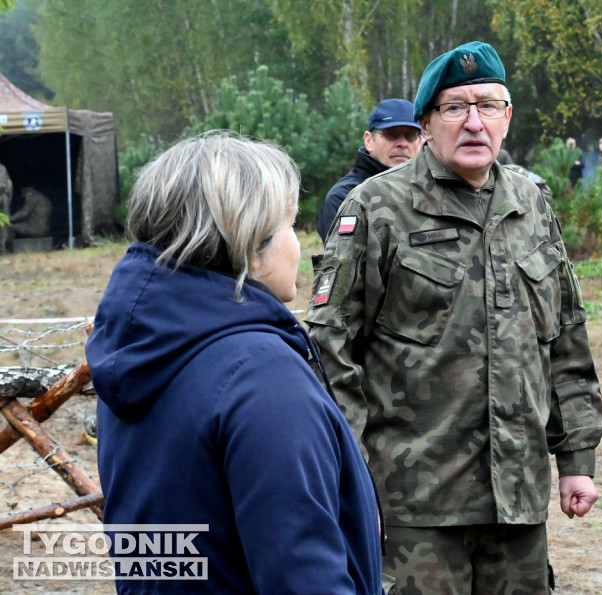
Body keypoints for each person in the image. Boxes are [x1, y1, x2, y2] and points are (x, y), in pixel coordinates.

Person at [306, 41, 602, 594]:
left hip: (516, 498)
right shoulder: (376, 209)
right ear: (427, 124)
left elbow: (565, 335)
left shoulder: (531, 201)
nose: (474, 123)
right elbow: (331, 352)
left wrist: (577, 457)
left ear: (508, 117)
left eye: (488, 106)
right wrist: (349, 483)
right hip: (412, 503)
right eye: (455, 108)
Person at [86, 132, 383, 594]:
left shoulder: (141, 350)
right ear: (252, 242)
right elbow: (304, 577)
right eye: (290, 225)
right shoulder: (261, 378)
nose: (298, 245)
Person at [316, 98, 423, 242]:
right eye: (392, 134)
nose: (402, 143)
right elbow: (343, 259)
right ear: (368, 140)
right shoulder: (345, 197)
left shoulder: (431, 190)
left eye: (410, 135)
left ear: (420, 142)